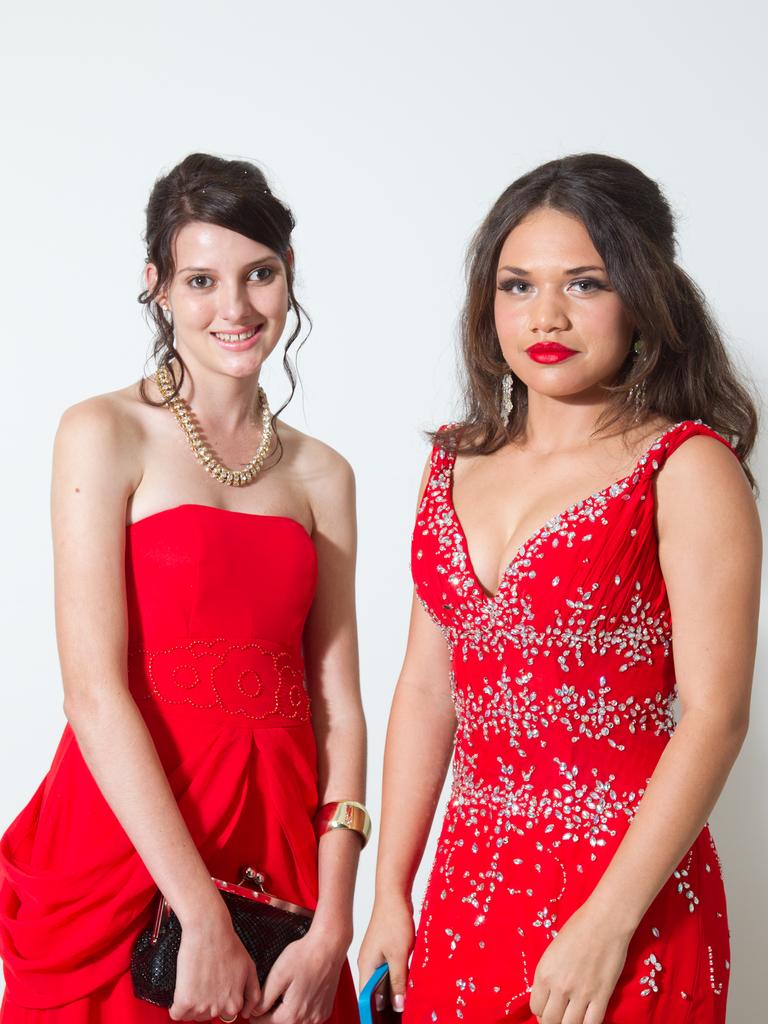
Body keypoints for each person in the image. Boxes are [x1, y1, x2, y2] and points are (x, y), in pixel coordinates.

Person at [358, 153, 761, 1024]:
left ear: (644, 295)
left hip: (626, 897)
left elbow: (718, 714)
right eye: (517, 286)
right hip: (467, 891)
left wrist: (608, 923)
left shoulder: (686, 466)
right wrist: (390, 889)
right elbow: (429, 689)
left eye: (584, 283)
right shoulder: (454, 462)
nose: (546, 315)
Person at [0, 152, 367, 1023]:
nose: (235, 307)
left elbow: (338, 706)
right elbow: (92, 693)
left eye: (260, 275)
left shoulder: (325, 474)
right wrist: (199, 913)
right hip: (130, 839)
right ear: (157, 288)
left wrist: (334, 925)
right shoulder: (104, 432)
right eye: (201, 279)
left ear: (287, 281)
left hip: (278, 844)